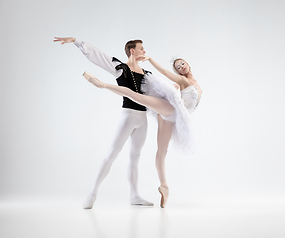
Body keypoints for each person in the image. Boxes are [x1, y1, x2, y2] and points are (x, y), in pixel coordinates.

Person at [82, 55, 202, 208]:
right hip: (170, 109)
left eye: (182, 64)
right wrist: (151, 60)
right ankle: (101, 84)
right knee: (135, 96)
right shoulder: (184, 80)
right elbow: (165, 72)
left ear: (188, 63)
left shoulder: (195, 83)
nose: (181, 68)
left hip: (173, 118)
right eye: (178, 67)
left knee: (162, 152)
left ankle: (164, 185)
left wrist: (175, 88)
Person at [53, 37, 153, 209]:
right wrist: (77, 42)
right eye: (141, 48)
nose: (144, 51)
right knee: (111, 154)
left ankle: (134, 195)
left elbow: (161, 93)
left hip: (143, 119)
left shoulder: (148, 74)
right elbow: (99, 56)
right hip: (128, 116)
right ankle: (92, 194)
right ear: (132, 51)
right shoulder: (120, 68)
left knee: (135, 157)